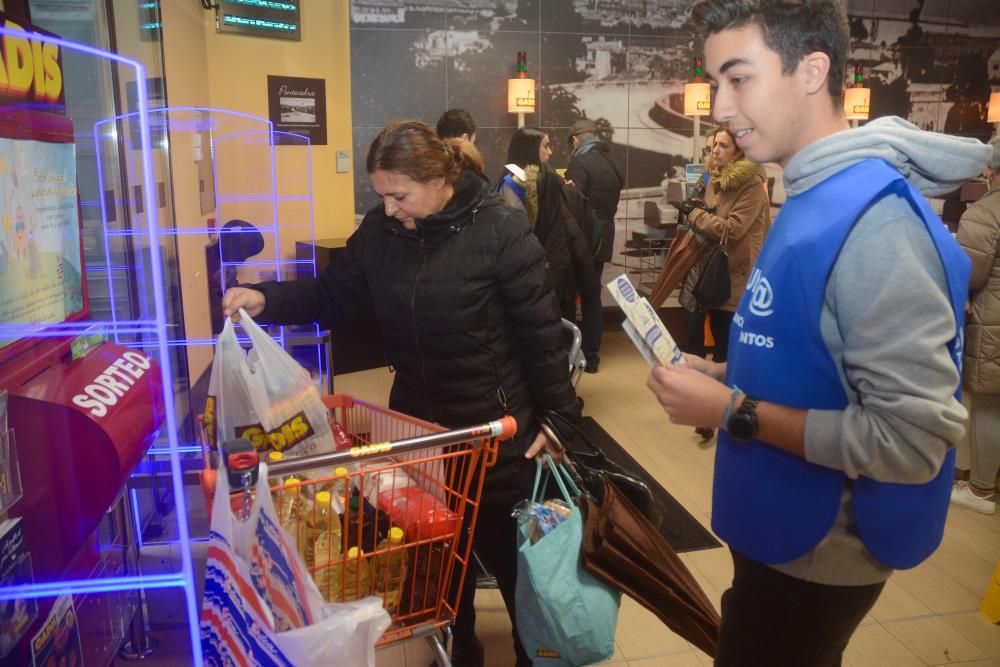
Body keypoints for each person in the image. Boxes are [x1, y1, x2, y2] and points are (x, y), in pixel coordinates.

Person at [645, 1, 990, 664]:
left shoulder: (878, 227)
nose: (719, 107)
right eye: (716, 82)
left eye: (738, 78)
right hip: (778, 535)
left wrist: (732, 409)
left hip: (819, 557)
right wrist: (721, 375)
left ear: (812, 70)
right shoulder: (809, 193)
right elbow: (813, 354)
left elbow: (909, 440)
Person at [222, 120, 580, 667]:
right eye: (381, 196)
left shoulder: (501, 231)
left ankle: (538, 654)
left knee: (516, 573)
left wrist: (559, 417)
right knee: (437, 564)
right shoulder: (381, 234)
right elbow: (332, 294)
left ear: (440, 180)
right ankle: (459, 651)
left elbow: (541, 332)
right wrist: (265, 299)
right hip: (418, 433)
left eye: (399, 195)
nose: (389, 208)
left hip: (496, 438)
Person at [498, 127, 598, 323]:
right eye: (545, 146)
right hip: (544, 266)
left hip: (538, 267)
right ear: (529, 148)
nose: (550, 152)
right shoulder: (523, 182)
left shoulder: (531, 180)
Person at [952, 136, 1000, 515]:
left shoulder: (986, 211)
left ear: (989, 169)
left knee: (985, 405)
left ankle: (980, 490)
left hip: (990, 320)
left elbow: (966, 272)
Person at [565, 118, 624, 373]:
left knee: (568, 292)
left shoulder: (579, 161)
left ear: (576, 139)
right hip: (605, 233)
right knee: (592, 295)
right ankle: (591, 355)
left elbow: (572, 202)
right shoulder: (612, 162)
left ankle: (570, 350)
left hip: (583, 234)